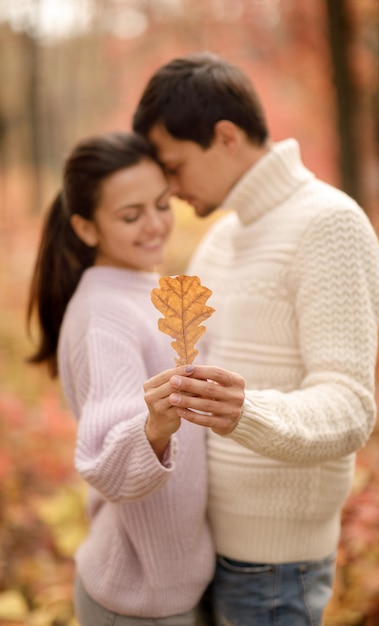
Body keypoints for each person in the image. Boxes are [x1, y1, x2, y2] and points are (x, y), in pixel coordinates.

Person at [132, 52, 379, 626]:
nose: (169, 190)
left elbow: (350, 407)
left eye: (174, 167)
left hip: (273, 569)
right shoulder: (220, 241)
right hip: (198, 548)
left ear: (225, 137)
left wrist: (246, 411)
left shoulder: (330, 226)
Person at [26, 130, 219, 626]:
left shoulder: (142, 289)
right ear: (87, 229)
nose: (155, 225)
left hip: (178, 585)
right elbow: (105, 462)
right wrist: (154, 426)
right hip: (136, 599)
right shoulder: (104, 313)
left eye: (161, 204)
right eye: (131, 216)